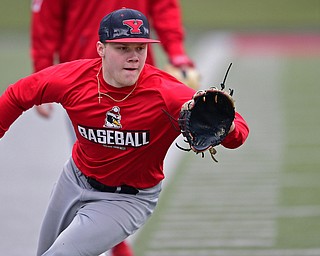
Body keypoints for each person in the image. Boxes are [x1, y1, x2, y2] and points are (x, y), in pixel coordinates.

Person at [0, 8, 249, 256]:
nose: (134, 57)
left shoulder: (166, 94)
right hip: (74, 180)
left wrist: (229, 128)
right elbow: (17, 95)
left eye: (140, 48)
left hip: (127, 199)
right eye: (123, 48)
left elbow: (237, 130)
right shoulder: (73, 79)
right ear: (101, 49)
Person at [31, 0, 197, 119]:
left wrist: (176, 52)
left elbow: (164, 7)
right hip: (83, 77)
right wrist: (42, 78)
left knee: (143, 149)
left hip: (137, 76)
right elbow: (46, 22)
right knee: (90, 151)